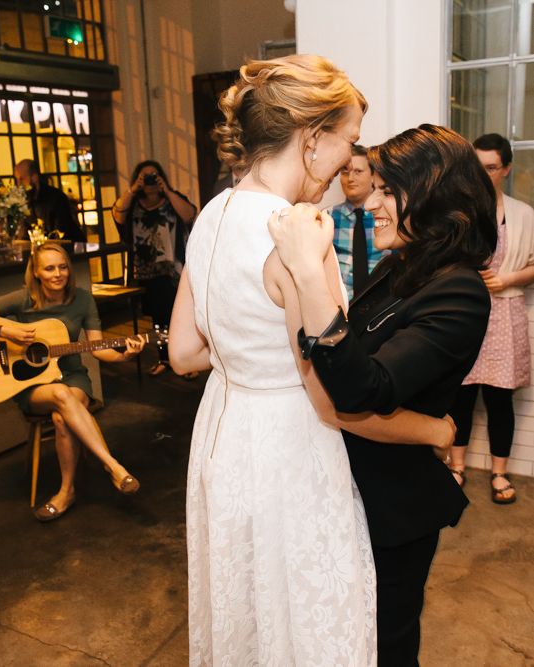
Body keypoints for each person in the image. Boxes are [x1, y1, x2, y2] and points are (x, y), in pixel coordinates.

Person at [169, 57, 457, 665]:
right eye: (348, 141)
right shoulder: (300, 234)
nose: (347, 162)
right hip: (291, 449)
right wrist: (432, 429)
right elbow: (333, 401)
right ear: (311, 137)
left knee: (245, 606)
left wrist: (246, 365)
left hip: (222, 437)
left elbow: (185, 353)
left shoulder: (209, 217)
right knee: (302, 615)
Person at [267, 124, 497, 666]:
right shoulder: (404, 263)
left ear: (436, 194)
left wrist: (306, 270)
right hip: (350, 484)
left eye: (387, 190)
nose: (371, 202)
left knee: (384, 645)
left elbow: (361, 388)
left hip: (394, 502)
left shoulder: (460, 290)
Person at [0, 242, 145, 521]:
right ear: (36, 273)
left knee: (61, 417)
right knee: (59, 395)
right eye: (49, 268)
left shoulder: (82, 300)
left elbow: (95, 347)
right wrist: (6, 330)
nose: (58, 274)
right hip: (31, 385)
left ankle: (66, 492)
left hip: (73, 377)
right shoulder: (23, 299)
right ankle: (114, 466)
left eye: (62, 267)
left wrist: (123, 357)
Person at [449, 133, 534, 504]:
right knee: (460, 397)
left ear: (506, 169)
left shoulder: (524, 215)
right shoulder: (459, 213)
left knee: (500, 402)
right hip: (465, 315)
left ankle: (499, 473)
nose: (484, 175)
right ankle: (457, 466)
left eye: (492, 167)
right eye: (477, 167)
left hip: (506, 315)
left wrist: (508, 279)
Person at [112, 160, 196, 377]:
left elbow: (189, 214)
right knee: (158, 319)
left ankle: (186, 361)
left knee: (181, 316)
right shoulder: (133, 204)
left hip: (173, 271)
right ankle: (165, 358)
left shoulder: (172, 198)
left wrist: (166, 191)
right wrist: (133, 189)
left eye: (154, 176)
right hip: (146, 272)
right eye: (145, 176)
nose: (149, 180)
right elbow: (117, 213)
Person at [331, 144, 388, 300]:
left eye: (358, 172)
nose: (350, 179)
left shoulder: (386, 215)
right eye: (345, 172)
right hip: (342, 306)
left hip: (380, 302)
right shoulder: (328, 218)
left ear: (372, 176)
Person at [14, 159, 85, 242]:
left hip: (65, 245)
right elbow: (24, 231)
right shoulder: (25, 200)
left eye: (21, 179)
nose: (18, 184)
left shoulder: (55, 197)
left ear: (34, 177)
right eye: (17, 179)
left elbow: (59, 232)